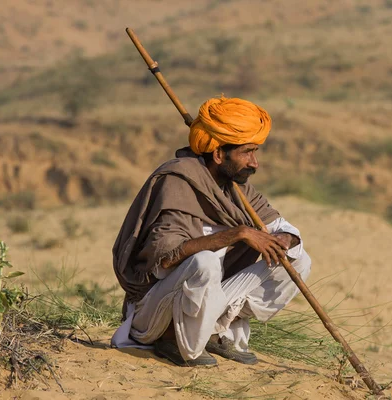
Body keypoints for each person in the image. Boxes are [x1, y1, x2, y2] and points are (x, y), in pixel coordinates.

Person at [111, 96, 311, 366]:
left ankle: (213, 331)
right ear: (219, 154)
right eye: (247, 152)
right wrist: (235, 234)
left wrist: (282, 239)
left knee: (297, 259)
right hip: (156, 312)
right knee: (203, 262)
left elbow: (282, 227)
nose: (254, 163)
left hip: (209, 302)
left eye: (255, 152)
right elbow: (165, 259)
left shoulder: (236, 187)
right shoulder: (177, 182)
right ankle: (171, 339)